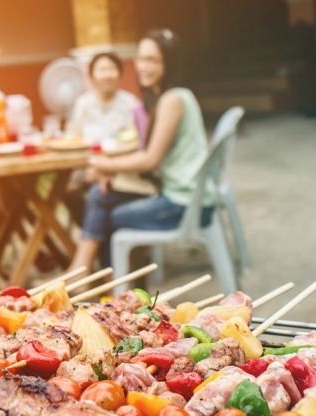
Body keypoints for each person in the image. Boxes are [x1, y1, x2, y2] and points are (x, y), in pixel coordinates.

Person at [68, 29, 214, 271]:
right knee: (99, 195)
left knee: (109, 216)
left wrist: (103, 165)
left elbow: (150, 160)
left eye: (152, 60)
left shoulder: (172, 100)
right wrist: (108, 165)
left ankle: (101, 281)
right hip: (176, 194)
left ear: (169, 64)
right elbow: (143, 145)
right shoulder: (161, 98)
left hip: (184, 204)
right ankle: (90, 275)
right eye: (141, 58)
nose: (143, 66)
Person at [63, 52, 145, 225]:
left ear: (120, 74)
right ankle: (92, 231)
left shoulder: (131, 104)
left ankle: (97, 237)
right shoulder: (82, 103)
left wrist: (105, 165)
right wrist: (91, 164)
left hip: (119, 166)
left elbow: (135, 142)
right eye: (102, 70)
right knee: (66, 190)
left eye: (112, 69)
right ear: (92, 76)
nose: (107, 75)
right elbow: (72, 138)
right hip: (86, 164)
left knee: (105, 192)